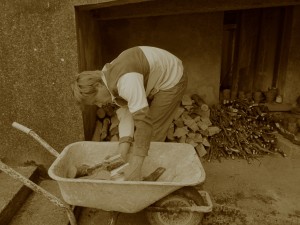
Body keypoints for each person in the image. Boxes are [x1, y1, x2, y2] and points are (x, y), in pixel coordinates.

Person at [72, 46, 187, 181]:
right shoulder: (105, 77)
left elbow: (144, 123)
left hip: (172, 77)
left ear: (98, 86)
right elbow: (126, 112)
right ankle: (134, 170)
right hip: (153, 75)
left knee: (153, 131)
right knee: (140, 139)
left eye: (96, 100)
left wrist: (136, 165)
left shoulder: (126, 81)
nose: (99, 105)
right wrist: (121, 152)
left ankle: (143, 174)